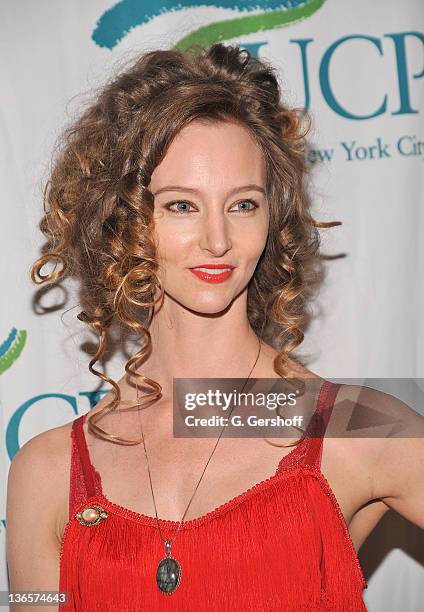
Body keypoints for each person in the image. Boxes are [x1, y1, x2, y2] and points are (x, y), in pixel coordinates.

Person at [6, 43, 424, 611]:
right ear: (121, 219)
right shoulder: (48, 470)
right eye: (182, 206)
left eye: (244, 205)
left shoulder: (355, 428)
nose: (219, 240)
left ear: (272, 218)